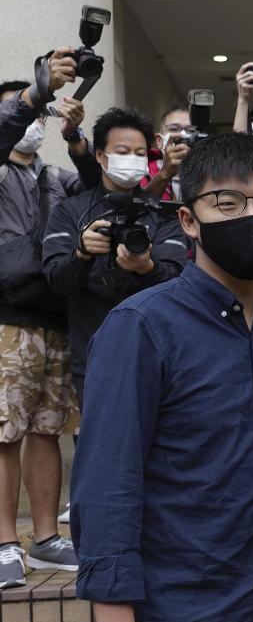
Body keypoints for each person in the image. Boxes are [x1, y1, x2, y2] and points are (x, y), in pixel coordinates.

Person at [71, 132, 253, 621]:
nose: (252, 217)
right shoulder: (140, 327)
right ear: (188, 220)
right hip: (177, 607)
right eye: (227, 202)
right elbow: (106, 489)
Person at [0, 52, 101, 585]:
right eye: (23, 115)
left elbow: (92, 189)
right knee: (4, 430)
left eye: (37, 118)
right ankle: (3, 543)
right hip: (7, 316)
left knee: (46, 428)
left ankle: (44, 538)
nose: (31, 126)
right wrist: (31, 95)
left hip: (55, 315)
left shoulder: (54, 176)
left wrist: (78, 140)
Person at [42, 106, 188, 409]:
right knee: (102, 446)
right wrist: (81, 255)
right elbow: (56, 279)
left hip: (158, 353)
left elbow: (178, 279)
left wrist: (147, 267)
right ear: (99, 156)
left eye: (138, 153)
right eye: (122, 151)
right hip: (94, 355)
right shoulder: (70, 212)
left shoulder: (163, 215)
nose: (131, 159)